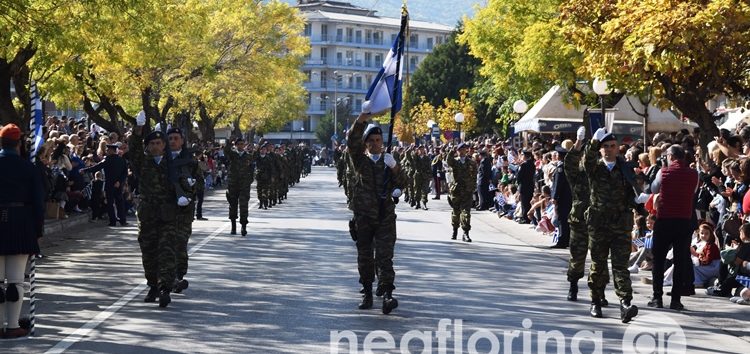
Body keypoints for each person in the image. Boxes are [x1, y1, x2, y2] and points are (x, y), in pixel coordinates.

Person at [346, 113, 405, 314]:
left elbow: (403, 183)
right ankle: (368, 293)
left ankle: (388, 294)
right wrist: (361, 120)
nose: (375, 144)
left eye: (378, 140)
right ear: (365, 143)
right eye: (370, 141)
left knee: (384, 256)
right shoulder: (360, 161)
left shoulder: (389, 161)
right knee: (365, 257)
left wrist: (396, 169)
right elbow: (351, 141)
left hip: (385, 216)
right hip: (363, 217)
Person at [583, 127, 640, 323]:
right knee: (598, 265)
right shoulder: (595, 167)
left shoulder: (625, 168)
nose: (608, 149)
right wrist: (592, 142)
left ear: (618, 149)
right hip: (599, 224)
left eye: (612, 146)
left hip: (620, 224)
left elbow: (634, 192)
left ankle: (625, 303)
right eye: (605, 146)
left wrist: (641, 201)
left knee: (620, 266)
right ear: (600, 149)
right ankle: (595, 301)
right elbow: (586, 161)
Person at [128, 113, 179, 308]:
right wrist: (138, 129)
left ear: (164, 145)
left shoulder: (172, 163)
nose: (156, 146)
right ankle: (153, 285)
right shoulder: (143, 163)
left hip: (167, 214)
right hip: (148, 213)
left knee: (166, 251)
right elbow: (133, 150)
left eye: (159, 143)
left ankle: (165, 287)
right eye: (152, 144)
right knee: (148, 252)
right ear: (148, 147)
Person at [0, 124, 44, 339]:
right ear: (18, 144)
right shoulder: (28, 167)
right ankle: (13, 325)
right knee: (15, 280)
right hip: (20, 221)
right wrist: (37, 229)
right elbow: (38, 202)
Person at [647, 145, 699, 311]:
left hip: (665, 220)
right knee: (680, 260)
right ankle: (676, 299)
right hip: (684, 220)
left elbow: (653, 189)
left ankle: (657, 297)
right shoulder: (694, 174)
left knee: (659, 259)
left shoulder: (663, 172)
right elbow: (694, 191)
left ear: (670, 156)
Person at [167, 127, 203, 294]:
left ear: (182, 140)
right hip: (164, 210)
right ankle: (168, 280)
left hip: (184, 211)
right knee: (165, 245)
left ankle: (179, 275)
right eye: (170, 138)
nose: (172, 141)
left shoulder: (190, 161)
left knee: (180, 244)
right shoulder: (161, 159)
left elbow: (200, 183)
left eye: (176, 138)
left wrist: (189, 192)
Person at [81, 143, 128, 226]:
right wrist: (120, 182)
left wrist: (85, 170)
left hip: (109, 184)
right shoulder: (122, 160)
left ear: (111, 151)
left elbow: (96, 167)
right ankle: (122, 220)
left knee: (110, 203)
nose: (106, 151)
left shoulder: (107, 159)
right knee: (119, 202)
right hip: (118, 184)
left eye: (107, 150)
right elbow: (125, 173)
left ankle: (112, 221)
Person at [223, 137, 255, 235]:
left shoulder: (248, 156)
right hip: (233, 183)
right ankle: (233, 226)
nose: (240, 146)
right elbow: (226, 151)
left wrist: (250, 180)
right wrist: (229, 142)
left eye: (242, 144)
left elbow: (251, 169)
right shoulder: (232, 155)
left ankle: (243, 226)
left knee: (244, 205)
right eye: (238, 144)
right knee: (232, 205)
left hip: (244, 184)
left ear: (244, 145)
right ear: (236, 145)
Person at [447, 143, 477, 242]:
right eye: (460, 150)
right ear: (458, 151)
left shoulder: (472, 163)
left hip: (467, 191)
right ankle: (454, 230)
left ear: (466, 150)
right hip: (456, 190)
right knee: (456, 212)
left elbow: (474, 176)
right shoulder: (455, 162)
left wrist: (472, 188)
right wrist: (451, 151)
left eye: (464, 149)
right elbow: (448, 161)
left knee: (466, 212)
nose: (462, 151)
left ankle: (465, 233)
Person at [551, 140, 574, 248]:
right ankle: (566, 238)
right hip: (569, 196)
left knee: (562, 219)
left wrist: (554, 197)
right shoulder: (569, 165)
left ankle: (562, 240)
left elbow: (557, 184)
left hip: (563, 197)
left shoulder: (561, 167)